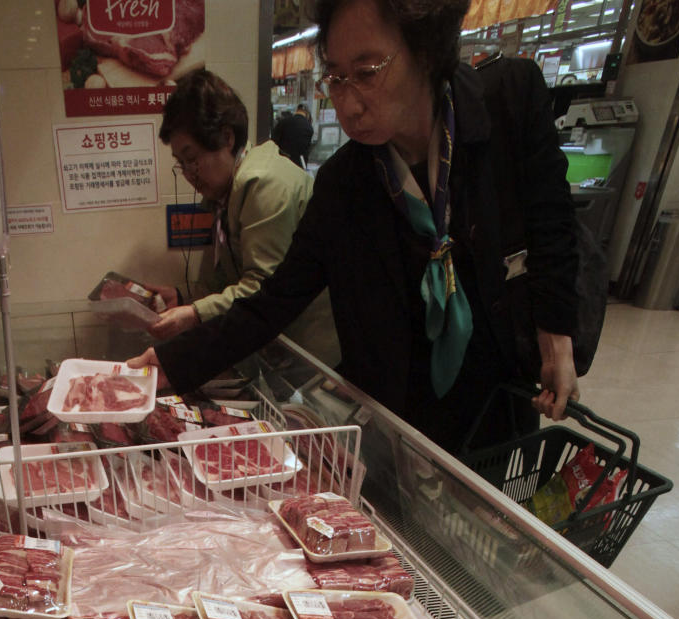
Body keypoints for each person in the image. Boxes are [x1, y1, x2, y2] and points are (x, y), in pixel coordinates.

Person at [131, 0, 580, 455]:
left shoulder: (508, 100)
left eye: (366, 72)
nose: (346, 103)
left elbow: (552, 221)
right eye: (336, 77)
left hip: (499, 388)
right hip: (401, 411)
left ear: (424, 51)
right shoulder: (344, 183)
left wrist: (555, 337)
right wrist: (172, 363)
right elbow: (274, 299)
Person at [143, 69, 339, 365]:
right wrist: (182, 299)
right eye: (180, 164)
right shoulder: (225, 197)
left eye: (192, 158)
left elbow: (262, 289)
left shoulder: (265, 185)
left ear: (227, 138)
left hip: (311, 356)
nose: (188, 175)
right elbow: (226, 281)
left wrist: (194, 314)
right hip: (279, 348)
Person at [273, 103, 315, 167]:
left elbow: (273, 142)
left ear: (296, 111)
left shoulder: (283, 122)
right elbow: (306, 150)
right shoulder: (309, 127)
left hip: (282, 162)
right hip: (298, 164)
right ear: (307, 114)